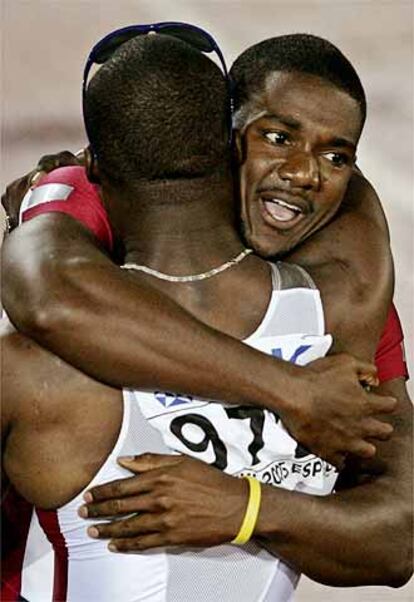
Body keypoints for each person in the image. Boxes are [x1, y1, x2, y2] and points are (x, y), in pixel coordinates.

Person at [1, 28, 411, 599]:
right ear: (228, 141)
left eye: (335, 156)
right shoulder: (85, 240)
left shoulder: (348, 307)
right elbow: (48, 294)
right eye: (277, 137)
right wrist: (293, 391)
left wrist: (247, 508)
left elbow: (399, 540)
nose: (303, 173)